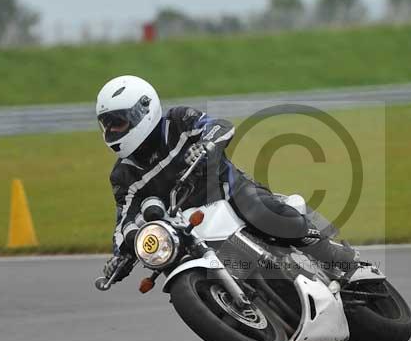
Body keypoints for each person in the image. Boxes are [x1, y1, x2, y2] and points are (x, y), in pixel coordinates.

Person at [97, 75, 357, 283]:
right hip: (191, 227)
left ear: (143, 110)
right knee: (172, 260)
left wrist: (207, 144)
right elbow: (125, 220)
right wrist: (122, 253)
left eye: (117, 123)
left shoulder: (177, 120)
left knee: (263, 213)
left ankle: (338, 258)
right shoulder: (123, 175)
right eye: (106, 125)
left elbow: (219, 126)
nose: (110, 131)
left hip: (228, 192)